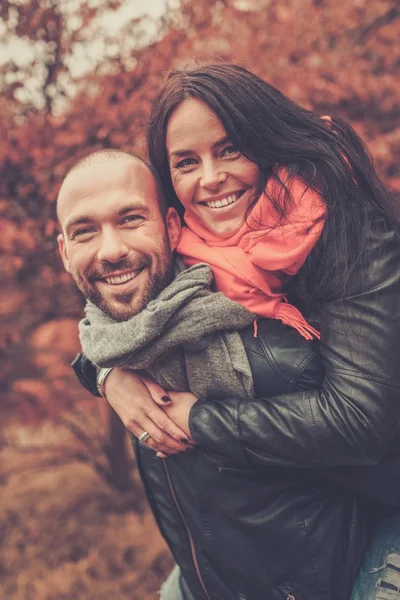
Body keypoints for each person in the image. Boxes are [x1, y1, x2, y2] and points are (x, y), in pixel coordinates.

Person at [71, 62, 400, 600]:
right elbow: (114, 312)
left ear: (267, 142)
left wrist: (199, 420)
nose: (210, 178)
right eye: (186, 162)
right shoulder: (184, 247)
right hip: (274, 525)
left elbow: (360, 420)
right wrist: (110, 374)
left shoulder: (348, 230)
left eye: (230, 149)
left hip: (380, 499)